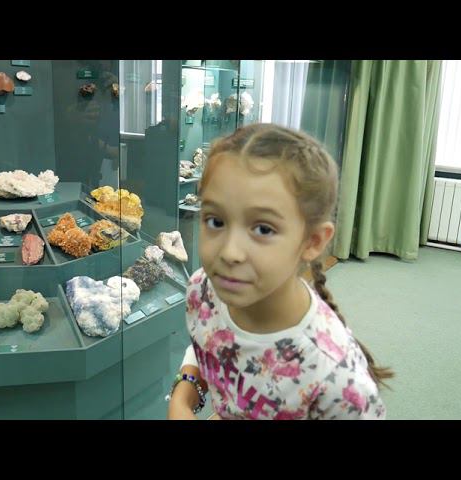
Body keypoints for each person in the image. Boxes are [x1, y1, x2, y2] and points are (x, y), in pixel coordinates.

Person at [166, 123, 393, 420]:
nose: (229, 252)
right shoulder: (203, 290)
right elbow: (210, 343)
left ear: (313, 241)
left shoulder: (340, 385)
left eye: (263, 229)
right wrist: (183, 394)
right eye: (215, 221)